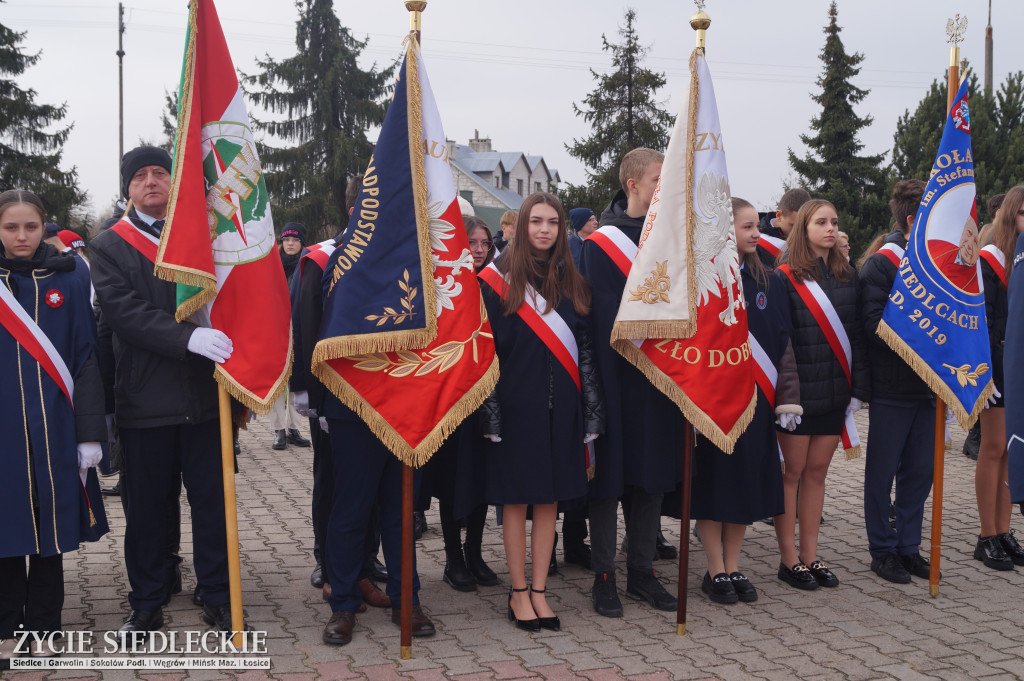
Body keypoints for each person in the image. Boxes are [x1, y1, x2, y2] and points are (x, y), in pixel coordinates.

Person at [89, 145, 236, 636]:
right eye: (140, 177)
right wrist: (188, 336)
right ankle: (148, 600)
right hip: (144, 400)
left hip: (205, 397)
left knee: (213, 506)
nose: (151, 182)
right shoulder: (108, 245)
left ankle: (216, 592)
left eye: (161, 173)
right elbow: (123, 313)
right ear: (128, 188)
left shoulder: (205, 236)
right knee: (148, 511)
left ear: (175, 183)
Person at [478, 192, 603, 631]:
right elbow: (484, 354)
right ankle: (516, 593)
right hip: (515, 411)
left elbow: (584, 354)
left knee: (550, 502)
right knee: (516, 502)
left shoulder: (572, 281)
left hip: (562, 410)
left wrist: (591, 415)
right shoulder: (494, 282)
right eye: (536, 221)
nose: (545, 229)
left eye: (552, 222)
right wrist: (490, 416)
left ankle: (539, 591)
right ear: (523, 227)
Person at [0, 190, 108, 663]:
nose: (21, 236)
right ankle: (5, 624)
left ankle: (44, 624)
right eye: (10, 227)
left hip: (53, 426)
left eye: (30, 226)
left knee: (50, 524)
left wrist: (89, 434)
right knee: (3, 524)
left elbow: (86, 355)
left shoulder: (71, 273)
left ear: (45, 226)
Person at [579, 147, 682, 617]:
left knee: (652, 478)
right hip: (614, 378)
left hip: (662, 378)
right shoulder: (600, 245)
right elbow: (587, 320)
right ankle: (604, 577)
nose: (668, 185)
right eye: (660, 178)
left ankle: (642, 571)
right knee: (608, 481)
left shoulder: (676, 239)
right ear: (633, 185)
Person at [290, 176, 389, 611]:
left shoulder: (394, 255)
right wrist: (306, 392)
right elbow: (305, 326)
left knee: (372, 486)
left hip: (384, 395)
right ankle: (331, 568)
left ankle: (364, 564)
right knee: (332, 481)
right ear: (356, 210)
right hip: (332, 395)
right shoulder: (319, 258)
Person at [693, 197, 797, 604]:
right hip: (714, 401)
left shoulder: (769, 280)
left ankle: (733, 566)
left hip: (757, 401)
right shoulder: (704, 278)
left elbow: (782, 342)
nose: (757, 233)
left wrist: (787, 398)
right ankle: (714, 569)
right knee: (715, 483)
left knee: (743, 486)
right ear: (724, 230)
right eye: (748, 227)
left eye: (758, 226)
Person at [774, 199, 869, 590]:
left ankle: (811, 554)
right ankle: (788, 559)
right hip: (799, 400)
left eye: (834, 221)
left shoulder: (849, 276)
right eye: (821, 222)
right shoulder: (783, 277)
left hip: (835, 393)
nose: (830, 228)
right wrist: (785, 399)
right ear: (804, 229)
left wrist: (857, 391)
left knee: (817, 475)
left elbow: (858, 338)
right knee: (791, 475)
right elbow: (781, 343)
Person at [859, 179, 937, 584]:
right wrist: (925, 340)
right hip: (893, 387)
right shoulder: (883, 264)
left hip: (927, 388)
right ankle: (883, 549)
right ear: (912, 219)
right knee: (883, 472)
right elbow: (873, 325)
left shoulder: (936, 263)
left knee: (921, 471)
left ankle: (909, 547)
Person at [420, 214, 500, 592]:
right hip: (452, 400)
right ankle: (453, 559)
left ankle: (475, 553)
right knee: (454, 483)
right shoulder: (443, 285)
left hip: (487, 400)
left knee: (483, 480)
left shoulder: (495, 284)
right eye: (472, 243)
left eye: (485, 243)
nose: (480, 250)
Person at [974, 184, 1024, 570]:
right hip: (996, 370)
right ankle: (986, 535)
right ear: (1010, 216)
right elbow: (982, 323)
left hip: (1019, 369)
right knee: (993, 449)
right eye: (1023, 213)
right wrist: (987, 376)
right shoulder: (989, 260)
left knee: (1013, 449)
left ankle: (1005, 531)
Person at [269, 222, 310, 451]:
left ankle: (294, 428)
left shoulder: (307, 265)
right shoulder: (273, 266)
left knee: (296, 379)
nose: (290, 244)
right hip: (276, 327)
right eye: (286, 240)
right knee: (277, 379)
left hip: (300, 327)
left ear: (302, 242)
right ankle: (278, 430)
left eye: (294, 240)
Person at [757, 188, 811, 268]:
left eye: (804, 226)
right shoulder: (755, 240)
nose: (799, 231)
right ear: (779, 215)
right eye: (794, 225)